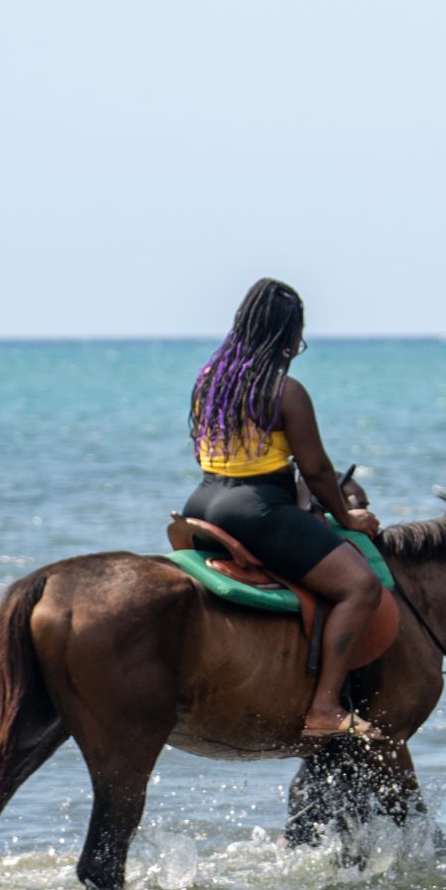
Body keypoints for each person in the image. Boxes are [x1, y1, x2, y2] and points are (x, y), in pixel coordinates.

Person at [184, 277, 386, 739]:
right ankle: (325, 709)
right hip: (256, 509)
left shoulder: (210, 383)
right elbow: (315, 470)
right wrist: (348, 516)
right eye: (297, 333)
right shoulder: (284, 390)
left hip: (202, 502)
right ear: (287, 334)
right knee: (360, 587)